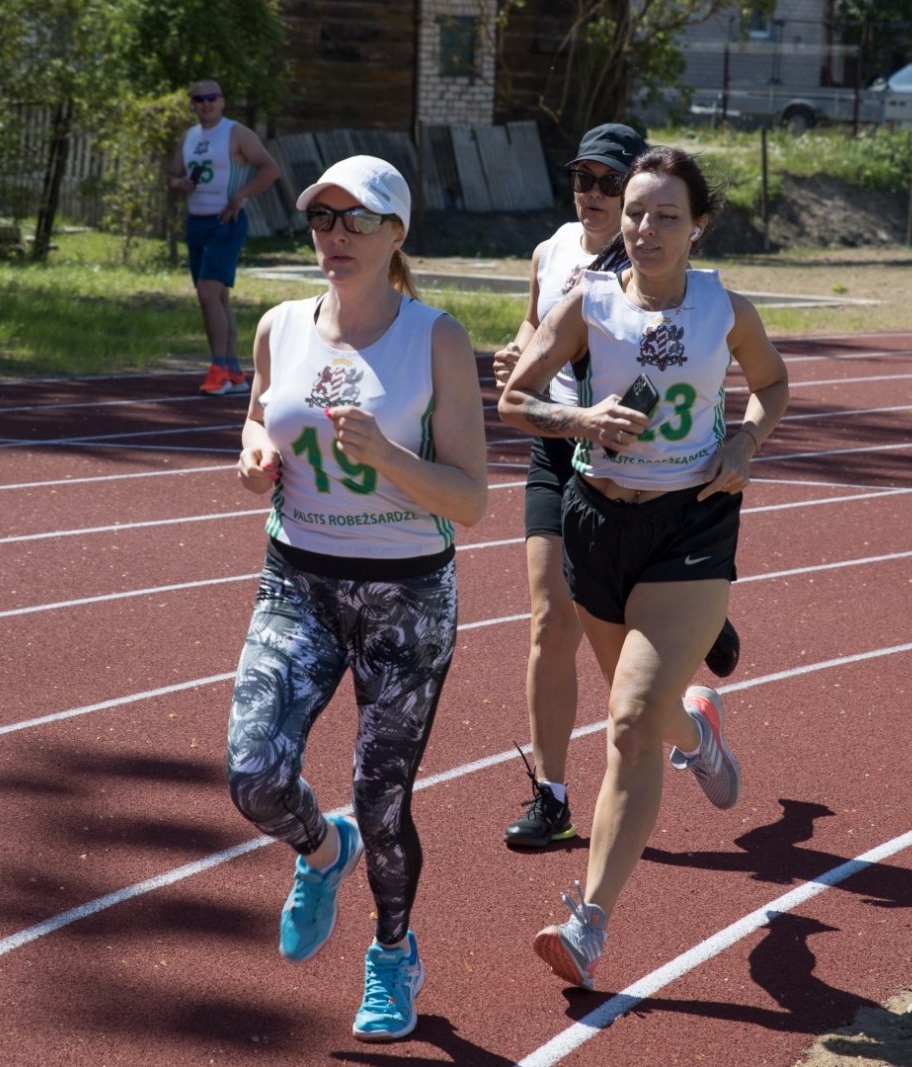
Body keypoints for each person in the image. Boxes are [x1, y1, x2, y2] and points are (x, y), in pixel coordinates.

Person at [498, 146, 789, 990]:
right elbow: (515, 398)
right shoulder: (587, 303)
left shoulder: (725, 307)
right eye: (634, 212)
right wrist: (581, 418)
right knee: (651, 714)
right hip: (597, 522)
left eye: (666, 215)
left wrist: (746, 439)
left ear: (699, 225)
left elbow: (772, 385)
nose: (645, 228)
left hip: (691, 524)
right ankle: (699, 734)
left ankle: (587, 924)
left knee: (628, 721)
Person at [226, 155, 486, 1041]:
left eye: (356, 219)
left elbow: (471, 499)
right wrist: (254, 451)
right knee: (253, 773)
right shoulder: (279, 325)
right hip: (297, 580)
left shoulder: (436, 338)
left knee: (382, 798)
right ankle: (320, 848)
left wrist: (389, 457)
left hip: (405, 595)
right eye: (321, 218)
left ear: (396, 233)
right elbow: (258, 414)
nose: (334, 235)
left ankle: (392, 951)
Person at [490, 124, 742, 851]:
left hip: (662, 479)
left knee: (632, 691)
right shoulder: (551, 252)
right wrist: (519, 355)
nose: (594, 194)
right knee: (550, 619)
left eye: (610, 181)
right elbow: (532, 333)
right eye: (584, 179)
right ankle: (552, 794)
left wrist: (744, 439)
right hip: (566, 448)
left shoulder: (660, 263)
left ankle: (689, 616)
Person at [167, 78, 282, 396]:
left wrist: (239, 196)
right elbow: (172, 176)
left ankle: (217, 370)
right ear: (192, 104)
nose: (206, 103)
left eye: (211, 97)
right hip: (197, 222)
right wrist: (179, 184)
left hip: (226, 222)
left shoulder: (236, 133)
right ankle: (233, 371)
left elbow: (270, 169)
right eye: (199, 98)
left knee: (207, 293)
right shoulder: (189, 137)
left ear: (222, 101)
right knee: (217, 298)